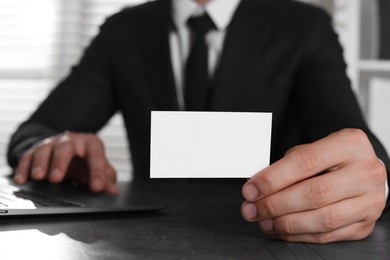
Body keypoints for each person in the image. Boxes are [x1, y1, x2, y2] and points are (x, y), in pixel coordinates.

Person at [6, 0, 390, 243]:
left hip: (265, 236)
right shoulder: (123, 31)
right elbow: (36, 132)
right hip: (146, 239)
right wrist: (48, 151)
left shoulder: (304, 26)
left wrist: (372, 182)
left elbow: (348, 136)